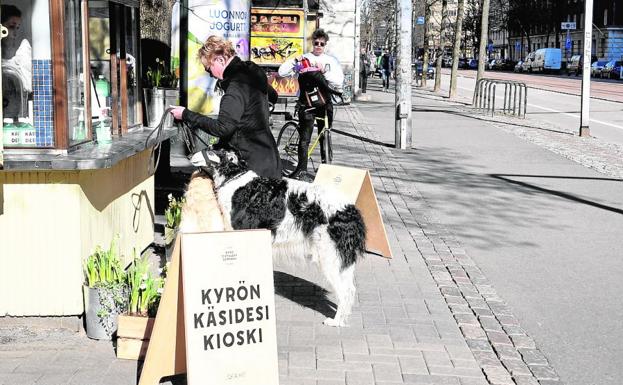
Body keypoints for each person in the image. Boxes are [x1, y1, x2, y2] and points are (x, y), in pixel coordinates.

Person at [169, 36, 281, 178]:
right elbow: (273, 96)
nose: (210, 75)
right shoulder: (253, 71)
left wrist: (186, 114)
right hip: (269, 157)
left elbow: (223, 128)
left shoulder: (235, 89)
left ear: (220, 60)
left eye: (209, 69)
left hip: (252, 168)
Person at [278, 28, 344, 179]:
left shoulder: (330, 61)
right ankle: (301, 171)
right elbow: (282, 72)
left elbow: (339, 80)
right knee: (305, 139)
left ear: (325, 44)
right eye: (316, 43)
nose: (319, 46)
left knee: (325, 135)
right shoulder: (304, 58)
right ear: (312, 43)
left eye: (322, 43)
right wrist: (295, 61)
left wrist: (324, 72)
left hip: (325, 103)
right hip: (306, 105)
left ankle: (325, 168)